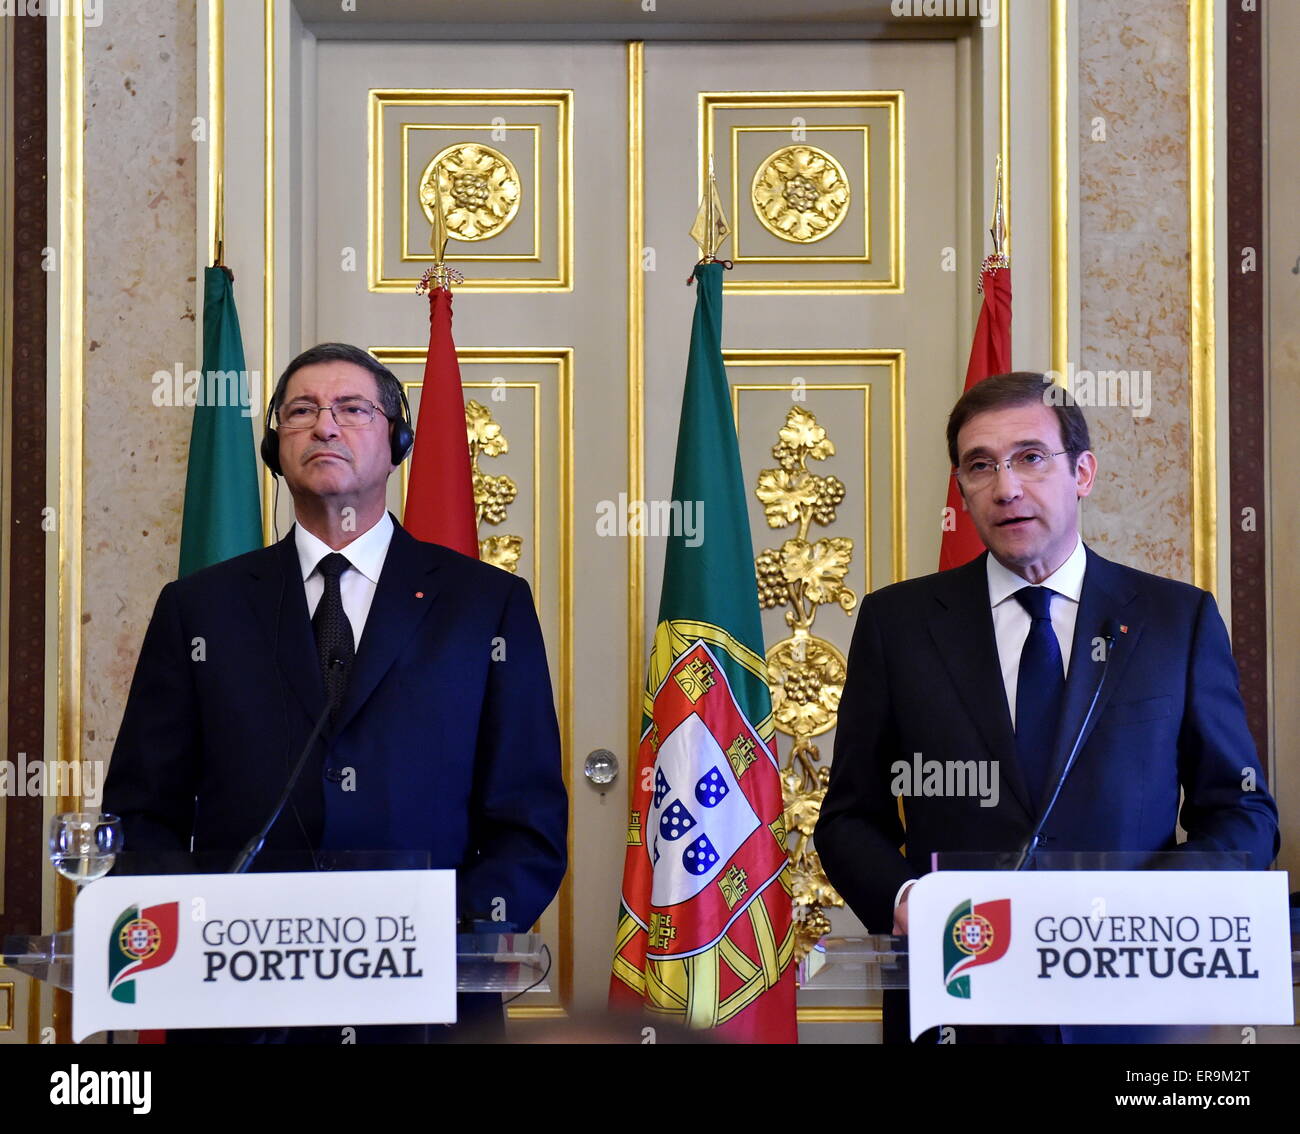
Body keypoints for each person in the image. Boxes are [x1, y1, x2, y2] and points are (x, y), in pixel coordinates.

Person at [102, 342, 567, 1043]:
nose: (326, 426)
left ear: (396, 440)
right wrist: (200, 924)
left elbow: (527, 822)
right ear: (275, 445)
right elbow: (142, 813)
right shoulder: (201, 608)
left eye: (353, 409)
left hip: (430, 1000)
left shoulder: (485, 605)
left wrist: (442, 931)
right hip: (239, 1000)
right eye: (302, 411)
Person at [815, 371, 1279, 1044]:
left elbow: (1243, 812)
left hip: (1132, 1006)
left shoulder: (1174, 621)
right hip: (962, 1004)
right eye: (981, 466)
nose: (1006, 487)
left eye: (1031, 457)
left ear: (1082, 471)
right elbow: (850, 818)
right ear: (963, 489)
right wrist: (909, 899)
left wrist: (1157, 900)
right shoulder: (899, 624)